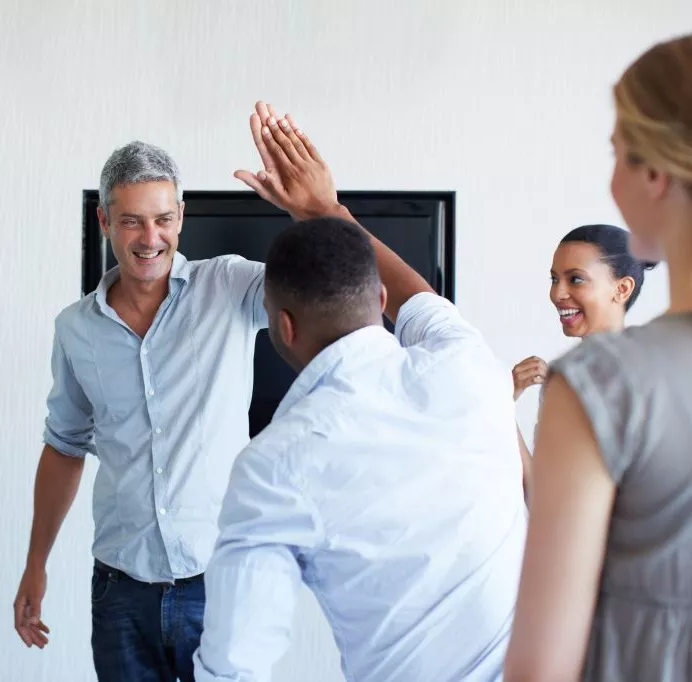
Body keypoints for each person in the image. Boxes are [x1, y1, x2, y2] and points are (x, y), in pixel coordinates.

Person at [191, 108, 527, 682]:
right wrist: (325, 209)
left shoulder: (274, 466)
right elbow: (416, 294)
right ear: (376, 298)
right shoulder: (468, 363)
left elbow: (234, 666)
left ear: (283, 329)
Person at [13, 120, 277, 681]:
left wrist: (312, 206)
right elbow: (63, 448)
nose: (149, 238)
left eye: (162, 219)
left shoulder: (230, 287)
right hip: (120, 592)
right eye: (131, 220)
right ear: (105, 220)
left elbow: (326, 283)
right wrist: (36, 564)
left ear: (181, 216)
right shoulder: (75, 329)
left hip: (220, 582)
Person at [505, 33, 692, 680]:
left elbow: (540, 662)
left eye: (617, 152)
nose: (558, 293)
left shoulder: (596, 383)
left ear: (653, 172)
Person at [512, 224, 654, 485]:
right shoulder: (565, 380)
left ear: (622, 289)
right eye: (554, 279)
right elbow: (544, 495)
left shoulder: (642, 380)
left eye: (575, 279)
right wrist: (504, 405)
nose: (557, 294)